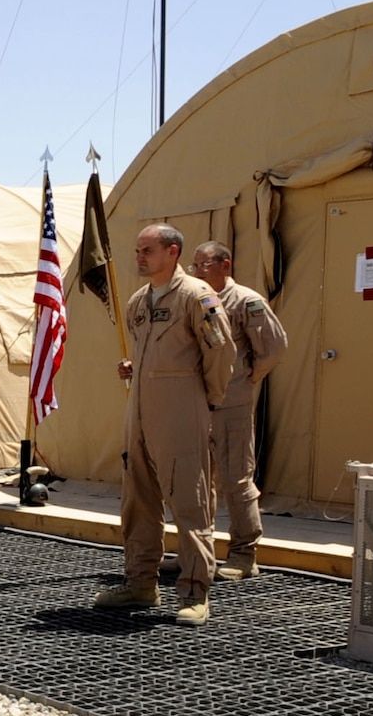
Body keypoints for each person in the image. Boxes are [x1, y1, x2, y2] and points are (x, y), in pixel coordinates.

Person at [96, 225, 237, 625]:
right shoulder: (140, 301)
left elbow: (221, 350)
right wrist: (136, 369)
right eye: (138, 250)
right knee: (138, 501)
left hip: (181, 410)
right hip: (139, 412)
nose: (140, 257)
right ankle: (141, 582)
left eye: (148, 250)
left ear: (173, 252)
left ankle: (195, 591)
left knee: (188, 502)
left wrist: (206, 398)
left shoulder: (197, 296)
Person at [190, 241, 289, 581]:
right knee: (196, 480)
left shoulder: (246, 301)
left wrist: (248, 377)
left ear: (225, 265)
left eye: (204, 265)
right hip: (197, 402)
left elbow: (274, 347)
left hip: (232, 403)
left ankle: (244, 553)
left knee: (236, 478)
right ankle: (197, 552)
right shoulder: (195, 300)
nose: (197, 272)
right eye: (194, 266)